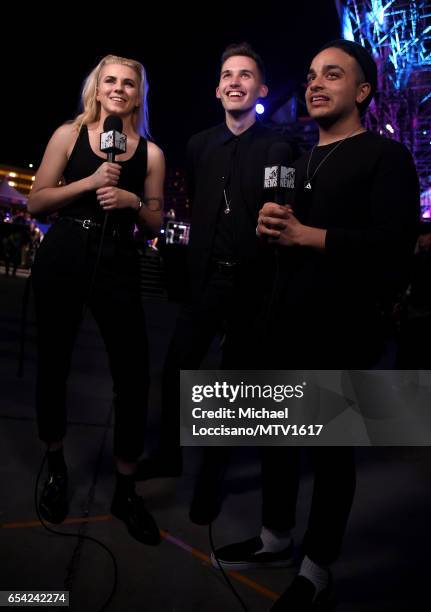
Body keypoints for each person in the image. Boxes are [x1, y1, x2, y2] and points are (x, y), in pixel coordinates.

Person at [213, 40, 420, 610]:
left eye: (333, 74)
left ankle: (317, 566)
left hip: (344, 327)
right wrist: (271, 229)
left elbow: (394, 247)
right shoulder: (300, 160)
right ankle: (275, 538)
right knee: (277, 440)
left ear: (362, 91)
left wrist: (310, 236)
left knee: (330, 453)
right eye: (309, 75)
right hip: (284, 322)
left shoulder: (385, 157)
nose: (316, 83)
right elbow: (286, 246)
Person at [135, 43, 292, 522]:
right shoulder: (199, 145)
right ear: (217, 88)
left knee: (231, 394)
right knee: (176, 369)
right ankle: (169, 454)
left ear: (260, 89)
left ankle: (211, 479)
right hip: (204, 281)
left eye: (245, 74)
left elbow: (283, 207)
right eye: (227, 74)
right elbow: (201, 203)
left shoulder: (279, 146)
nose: (234, 81)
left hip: (252, 284)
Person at [27, 54, 165, 545]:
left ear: (138, 93)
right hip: (65, 252)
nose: (119, 88)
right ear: (96, 86)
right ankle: (58, 465)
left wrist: (133, 202)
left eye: (129, 82)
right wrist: (87, 183)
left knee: (133, 374)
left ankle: (125, 489)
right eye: (110, 80)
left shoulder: (150, 153)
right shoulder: (69, 134)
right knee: (54, 365)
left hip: (118, 260)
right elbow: (36, 200)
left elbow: (155, 220)